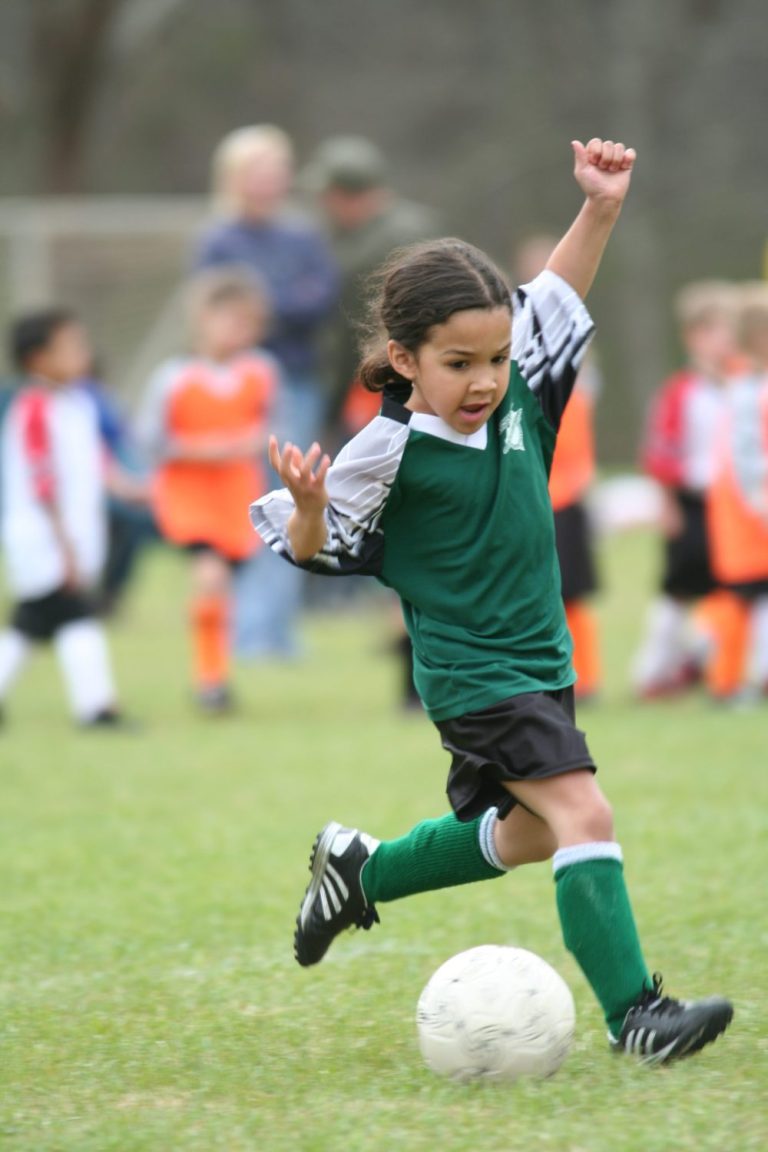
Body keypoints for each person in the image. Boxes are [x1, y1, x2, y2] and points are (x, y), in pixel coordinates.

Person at [252, 139, 733, 1064]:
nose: (482, 380)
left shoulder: (524, 396)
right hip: (475, 676)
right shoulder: (385, 453)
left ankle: (359, 871)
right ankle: (638, 1015)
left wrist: (599, 207)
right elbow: (315, 552)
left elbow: (558, 291)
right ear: (405, 357)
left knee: (524, 836)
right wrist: (311, 510)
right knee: (585, 819)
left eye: (497, 358)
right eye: (458, 362)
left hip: (542, 662)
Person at [194, 125, 339, 660]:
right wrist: (273, 307)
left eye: (277, 169)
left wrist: (264, 306)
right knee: (247, 502)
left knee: (294, 499)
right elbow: (218, 309)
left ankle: (277, 631)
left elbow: (319, 299)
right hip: (238, 394)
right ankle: (249, 632)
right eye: (259, 169)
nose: (270, 180)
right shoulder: (219, 241)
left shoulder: (303, 237)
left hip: (297, 384)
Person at [136, 267, 276, 712]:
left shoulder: (262, 371)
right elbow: (151, 438)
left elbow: (276, 426)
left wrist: (259, 444)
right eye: (232, 320)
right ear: (203, 318)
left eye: (249, 323)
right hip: (189, 493)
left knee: (221, 587)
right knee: (209, 574)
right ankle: (210, 680)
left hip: (236, 494)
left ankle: (216, 673)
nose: (242, 332)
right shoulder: (174, 376)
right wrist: (202, 449)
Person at [0, 309, 135, 727]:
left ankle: (96, 707)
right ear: (38, 359)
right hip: (47, 539)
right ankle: (97, 708)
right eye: (71, 347)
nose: (83, 354)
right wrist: (64, 547)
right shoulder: (34, 409)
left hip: (73, 540)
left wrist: (140, 490)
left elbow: (99, 467)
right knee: (72, 616)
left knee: (34, 622)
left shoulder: (78, 404)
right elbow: (43, 484)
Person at [633, 281, 739, 697]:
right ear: (694, 336)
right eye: (715, 331)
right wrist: (668, 504)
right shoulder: (680, 392)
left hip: (735, 507)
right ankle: (653, 672)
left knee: (735, 591)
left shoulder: (745, 387)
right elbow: (661, 452)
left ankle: (712, 665)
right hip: (692, 502)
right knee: (679, 591)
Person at [308, 135, 442, 444]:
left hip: (386, 385)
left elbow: (353, 334)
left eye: (328, 196)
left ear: (347, 196)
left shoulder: (366, 249)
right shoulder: (422, 223)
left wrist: (332, 406)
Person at [516, 234, 602, 701]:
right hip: (533, 487)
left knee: (573, 590)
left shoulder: (576, 350)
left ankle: (585, 674)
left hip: (567, 488)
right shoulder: (515, 346)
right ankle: (543, 673)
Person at [705, 283, 768, 700]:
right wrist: (759, 498)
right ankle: (733, 680)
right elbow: (747, 453)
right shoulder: (747, 388)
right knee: (749, 597)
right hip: (750, 510)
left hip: (749, 507)